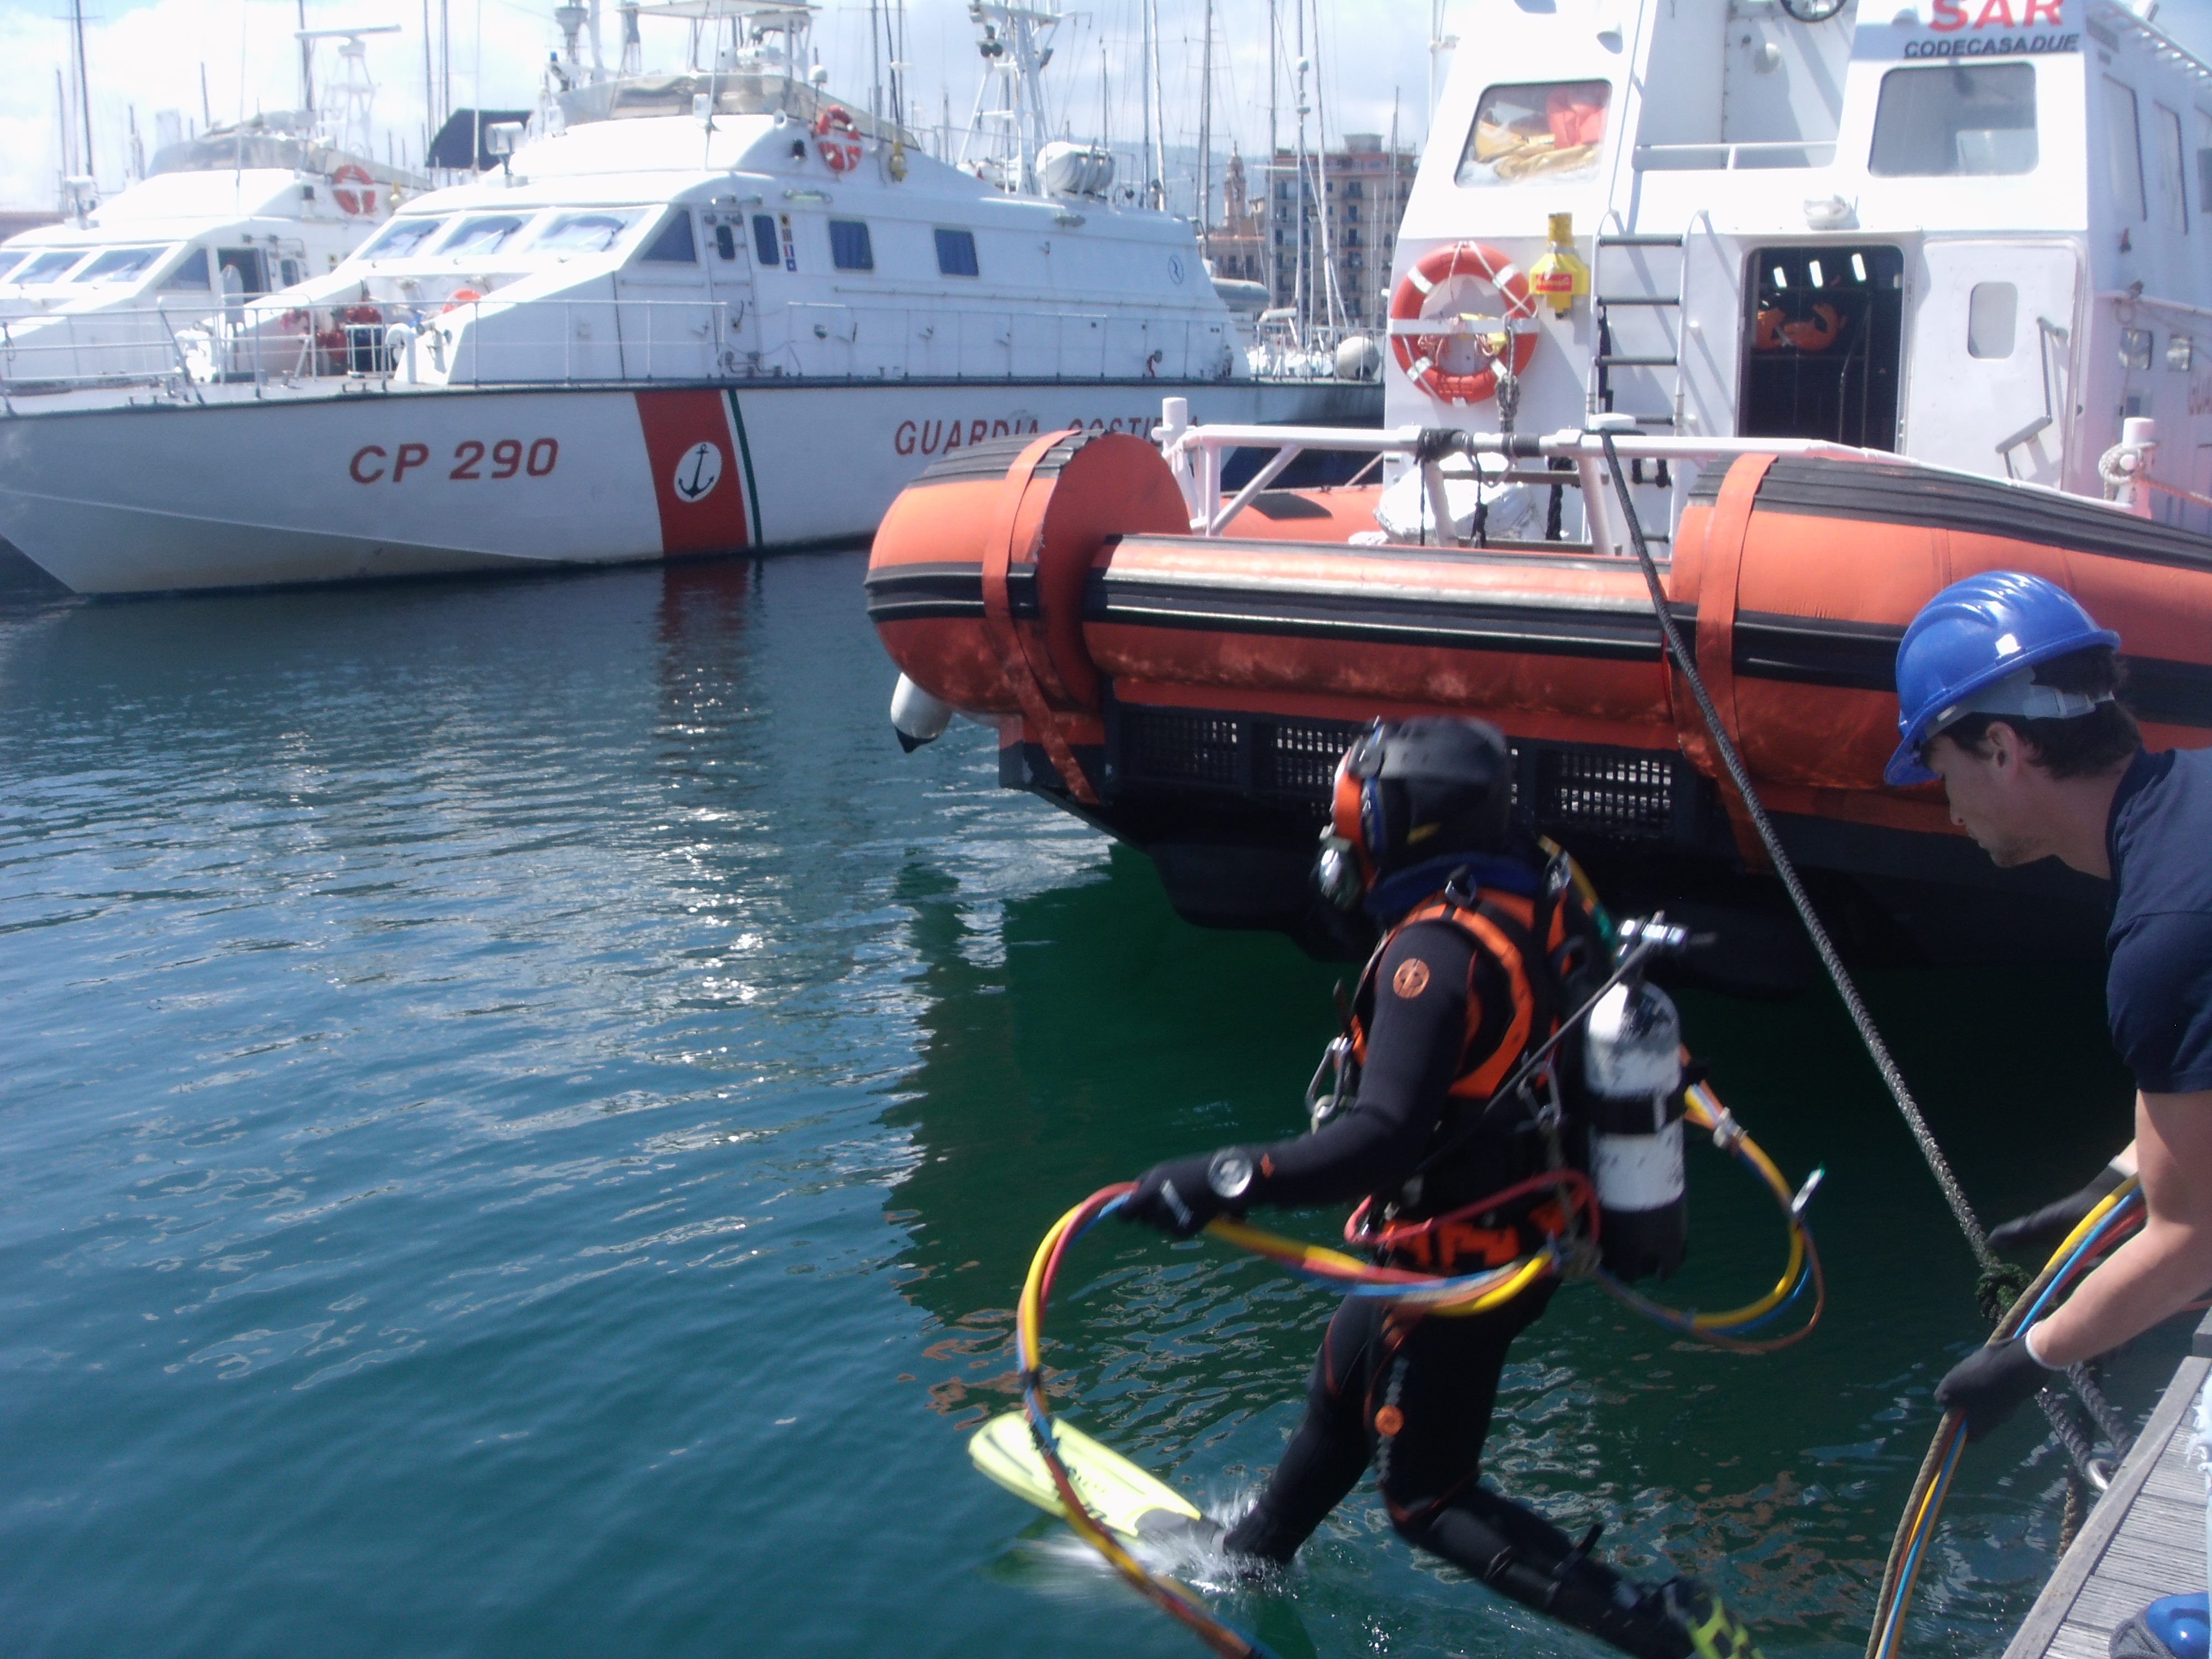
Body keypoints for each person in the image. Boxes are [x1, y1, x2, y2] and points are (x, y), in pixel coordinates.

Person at [1118, 716, 1757, 1659]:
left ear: (1397, 826)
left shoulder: (1434, 956)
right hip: (1511, 1231)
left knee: (1428, 1496)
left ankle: (1662, 1628)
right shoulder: (1534, 891)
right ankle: (1253, 1553)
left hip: (1464, 1263)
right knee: (1343, 1392)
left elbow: (1379, 1140)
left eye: (1353, 820)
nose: (1339, 839)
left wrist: (1217, 1181)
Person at [1884, 574, 2212, 1646]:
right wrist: (2115, 1183)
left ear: (2001, 748)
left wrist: (2026, 1361)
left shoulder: (2164, 933)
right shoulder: (2196, 801)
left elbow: (2193, 1243)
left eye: (1940, 769)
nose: (1947, 808)